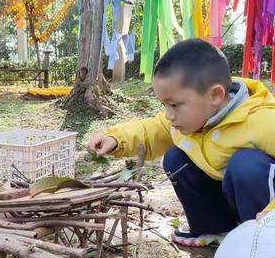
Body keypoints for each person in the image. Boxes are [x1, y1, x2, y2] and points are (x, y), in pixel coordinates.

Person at [87, 38, 275, 247]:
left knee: (246, 165)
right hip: (229, 197)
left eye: (174, 105)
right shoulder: (192, 120)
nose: (168, 115)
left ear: (215, 95)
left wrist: (270, 214)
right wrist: (115, 139)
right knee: (176, 158)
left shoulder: (261, 120)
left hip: (265, 210)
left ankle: (263, 239)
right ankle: (215, 229)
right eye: (165, 105)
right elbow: (152, 129)